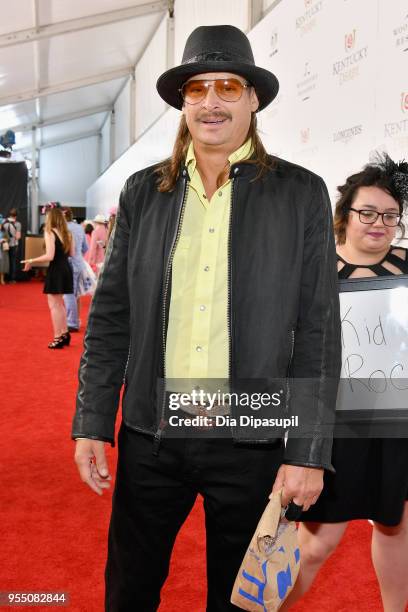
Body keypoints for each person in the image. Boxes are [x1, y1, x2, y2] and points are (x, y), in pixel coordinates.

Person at [72, 25, 341, 611]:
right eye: (197, 88)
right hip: (151, 434)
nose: (211, 100)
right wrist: (92, 420)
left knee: (244, 604)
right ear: (182, 103)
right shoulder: (144, 192)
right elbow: (110, 317)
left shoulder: (301, 194)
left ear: (253, 100)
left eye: (227, 86)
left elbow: (318, 331)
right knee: (128, 593)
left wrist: (309, 450)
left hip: (254, 434)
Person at [282, 154, 408, 612]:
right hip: (333, 426)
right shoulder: (314, 272)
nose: (379, 224)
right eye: (368, 212)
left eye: (390, 215)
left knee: (395, 527)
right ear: (345, 215)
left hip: (397, 422)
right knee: (316, 544)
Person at [22, 202, 74, 349]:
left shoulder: (49, 231)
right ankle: (64, 334)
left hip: (56, 269)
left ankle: (58, 337)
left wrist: (31, 260)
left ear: (50, 217)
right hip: (65, 268)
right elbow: (72, 254)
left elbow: (49, 256)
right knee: (60, 304)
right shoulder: (68, 233)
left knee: (54, 305)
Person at [62, 207, 88, 332]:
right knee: (76, 294)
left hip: (68, 263)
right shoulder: (79, 227)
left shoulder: (63, 229)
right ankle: (76, 320)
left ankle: (72, 323)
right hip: (79, 263)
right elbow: (85, 248)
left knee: (68, 294)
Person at [3, 208, 21, 283]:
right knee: (12, 261)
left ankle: (4, 278)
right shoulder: (18, 224)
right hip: (13, 244)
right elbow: (18, 237)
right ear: (16, 215)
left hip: (4, 244)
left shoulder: (3, 222)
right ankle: (12, 279)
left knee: (4, 261)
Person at [0, 215, 10, 285]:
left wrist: (4, 240)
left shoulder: (4, 230)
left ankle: (2, 279)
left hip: (2, 249)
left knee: (3, 264)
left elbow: (8, 239)